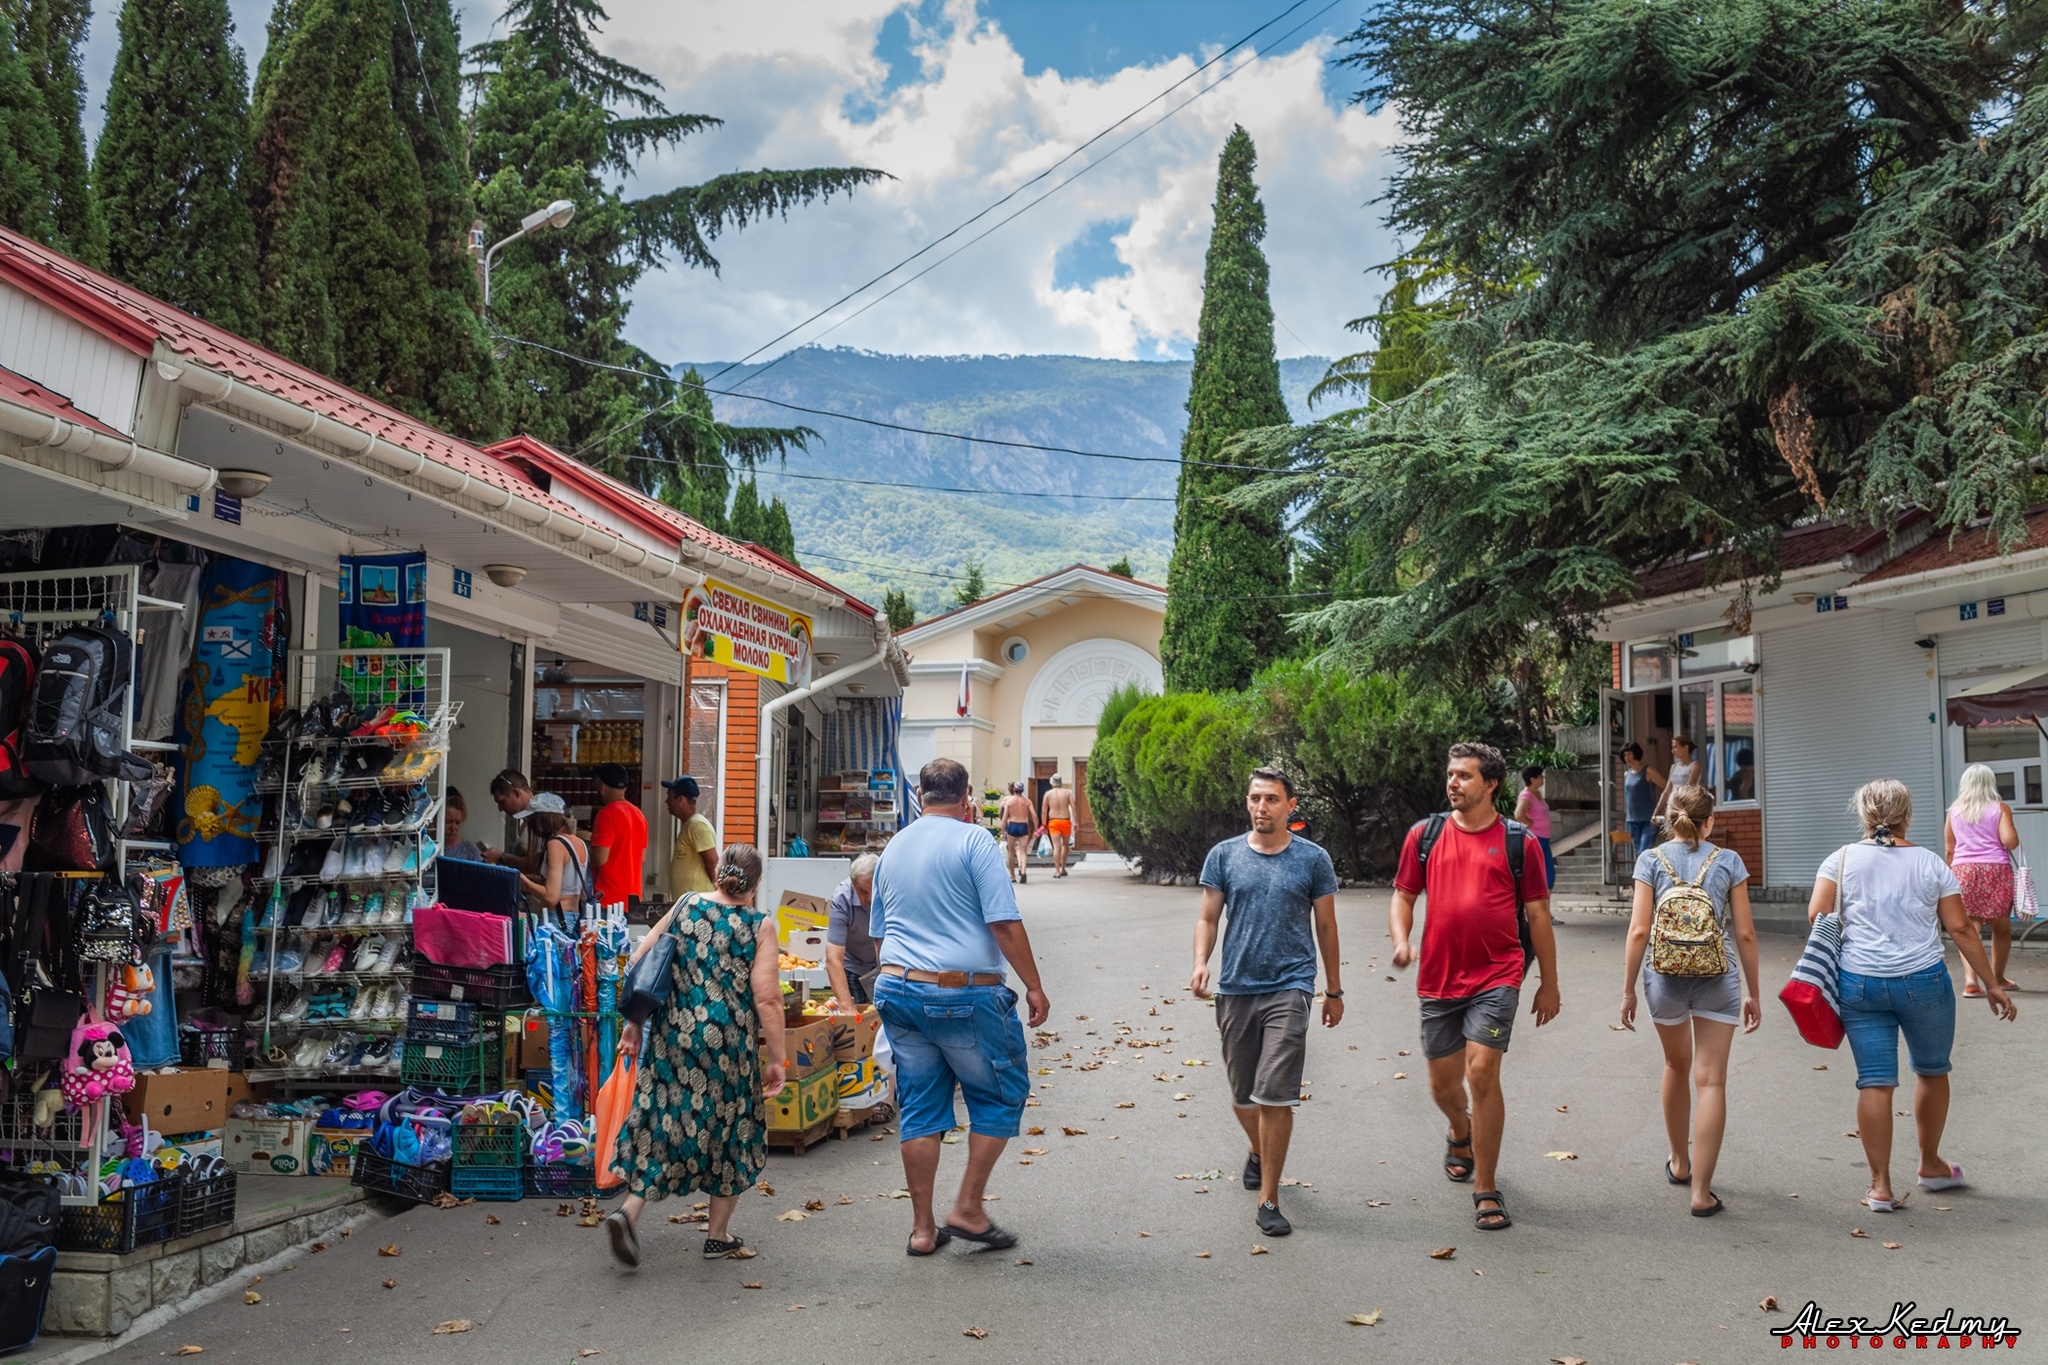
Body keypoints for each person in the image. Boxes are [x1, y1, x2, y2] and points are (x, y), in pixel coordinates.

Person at [1809, 779, 2017, 1212]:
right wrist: (1991, 983)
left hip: (1859, 982)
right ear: (1907, 815)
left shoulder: (1840, 859)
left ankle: (1880, 1186)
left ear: (1864, 816)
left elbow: (1817, 915)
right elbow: (1960, 928)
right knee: (1932, 1070)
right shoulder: (1930, 863)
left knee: (1876, 1082)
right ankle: (1930, 1164)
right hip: (1923, 981)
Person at [871, 757, 1049, 1256]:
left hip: (898, 989)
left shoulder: (893, 848)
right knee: (1001, 1093)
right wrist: (1033, 986)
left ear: (921, 797)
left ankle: (923, 1231)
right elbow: (1004, 923)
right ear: (966, 797)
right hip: (961, 994)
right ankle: (968, 1208)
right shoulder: (975, 842)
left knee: (922, 1106)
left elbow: (880, 932)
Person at [1390, 741, 1560, 1233]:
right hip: (1438, 979)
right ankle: (1459, 1130)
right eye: (1450, 774)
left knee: (1482, 1072)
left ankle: (1486, 1187)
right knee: (1444, 1086)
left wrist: (1549, 983)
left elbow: (1538, 916)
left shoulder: (1517, 840)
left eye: (1464, 776)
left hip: (1497, 974)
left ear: (1490, 784)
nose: (1453, 783)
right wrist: (1402, 939)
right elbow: (1403, 897)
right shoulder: (1425, 834)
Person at [603, 843, 785, 1267]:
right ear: (754, 887)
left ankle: (629, 1210)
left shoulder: (685, 905)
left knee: (664, 1120)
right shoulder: (759, 925)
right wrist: (778, 1056)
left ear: (718, 872)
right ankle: (717, 1236)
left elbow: (644, 960)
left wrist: (634, 1023)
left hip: (674, 1036)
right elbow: (768, 998)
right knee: (732, 1131)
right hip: (729, 1045)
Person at [1189, 767, 1342, 1237]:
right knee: (1242, 1095)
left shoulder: (1313, 860)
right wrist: (1201, 961)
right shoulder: (1225, 856)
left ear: (1290, 806)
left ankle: (1269, 1197)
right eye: (1255, 797)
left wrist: (1333, 990)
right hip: (1236, 986)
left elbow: (1327, 928)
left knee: (1274, 1094)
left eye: (1272, 799)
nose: (1261, 807)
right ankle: (1259, 1150)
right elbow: (1209, 918)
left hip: (1290, 986)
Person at [1619, 785, 1760, 1216]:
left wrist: (1628, 990)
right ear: (1710, 821)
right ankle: (1701, 1193)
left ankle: (1679, 1163)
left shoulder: (1650, 860)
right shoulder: (1729, 861)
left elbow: (1639, 931)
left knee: (1675, 1066)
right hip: (1718, 978)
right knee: (1711, 1080)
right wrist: (1753, 991)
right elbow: (1746, 934)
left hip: (1664, 979)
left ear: (1667, 820)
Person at [1943, 763, 2021, 999]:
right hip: (1995, 870)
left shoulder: (1954, 811)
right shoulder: (2000, 808)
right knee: (2001, 927)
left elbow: (1949, 848)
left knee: (1970, 927)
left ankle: (1970, 982)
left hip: (1963, 870)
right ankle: (1997, 978)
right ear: (1991, 783)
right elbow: (2010, 842)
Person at [514, 794, 590, 914]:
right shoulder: (579, 842)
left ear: (542, 820)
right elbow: (578, 891)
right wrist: (537, 880)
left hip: (557, 918)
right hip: (574, 916)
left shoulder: (555, 844)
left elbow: (551, 897)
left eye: (531, 820)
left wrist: (522, 879)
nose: (530, 826)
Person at [588, 763, 648, 910]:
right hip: (633, 899)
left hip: (608, 899)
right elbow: (642, 858)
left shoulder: (607, 814)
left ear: (601, 786)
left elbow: (600, 857)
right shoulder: (639, 815)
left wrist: (581, 856)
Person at [824, 853, 881, 1008]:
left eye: (874, 890)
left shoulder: (889, 891)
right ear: (853, 885)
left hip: (885, 966)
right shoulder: (843, 897)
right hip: (854, 966)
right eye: (863, 891)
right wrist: (847, 1007)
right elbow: (833, 958)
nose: (869, 898)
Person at [662, 776, 719, 896]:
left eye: (670, 796)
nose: (666, 801)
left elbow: (713, 863)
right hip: (690, 906)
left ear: (680, 800)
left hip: (697, 907)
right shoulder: (690, 824)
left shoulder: (697, 825)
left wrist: (717, 897)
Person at [481, 769, 541, 876]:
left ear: (516, 793)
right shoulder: (528, 819)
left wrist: (502, 857)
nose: (500, 808)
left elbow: (539, 865)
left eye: (502, 801)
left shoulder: (542, 820)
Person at [1514, 765, 1555, 889]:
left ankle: (1545, 907)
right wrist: (1529, 823)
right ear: (1533, 779)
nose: (1543, 778)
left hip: (1544, 839)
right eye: (1540, 776)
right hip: (1535, 839)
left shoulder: (1537, 793)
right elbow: (1518, 814)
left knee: (1549, 875)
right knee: (1536, 874)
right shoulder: (1526, 795)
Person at [1621, 743, 1664, 857]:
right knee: (1638, 852)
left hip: (1648, 819)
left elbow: (1666, 786)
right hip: (1632, 819)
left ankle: (1643, 874)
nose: (1627, 758)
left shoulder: (1648, 771)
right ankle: (1646, 873)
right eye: (1625, 755)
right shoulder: (1627, 774)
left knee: (1643, 851)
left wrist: (1661, 808)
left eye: (1630, 754)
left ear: (1636, 753)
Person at [1653, 735, 1700, 826]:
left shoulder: (1695, 766)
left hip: (1685, 808)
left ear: (1685, 747)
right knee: (1671, 834)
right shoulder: (1674, 767)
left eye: (1675, 747)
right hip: (1672, 807)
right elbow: (1667, 791)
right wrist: (1656, 812)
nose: (1672, 751)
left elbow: (1689, 788)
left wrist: (1679, 808)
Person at [999, 782, 1037, 884]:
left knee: (1011, 852)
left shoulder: (1009, 802)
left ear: (1014, 790)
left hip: (1012, 825)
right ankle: (1023, 870)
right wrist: (1036, 829)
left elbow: (1004, 818)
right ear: (1022, 790)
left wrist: (1002, 831)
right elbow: (1034, 815)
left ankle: (1012, 875)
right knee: (1023, 851)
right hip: (1023, 825)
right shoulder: (1027, 801)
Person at [1042, 775, 1076, 878]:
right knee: (1065, 845)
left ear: (1052, 783)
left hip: (1053, 822)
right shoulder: (1067, 793)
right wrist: (1077, 822)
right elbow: (1074, 807)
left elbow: (1044, 810)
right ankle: (1063, 868)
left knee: (1056, 846)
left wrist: (1044, 824)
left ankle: (1057, 871)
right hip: (1065, 821)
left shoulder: (1048, 794)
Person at [442, 787, 483, 863]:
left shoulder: (470, 851)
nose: (453, 828)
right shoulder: (426, 846)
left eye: (457, 823)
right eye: (448, 822)